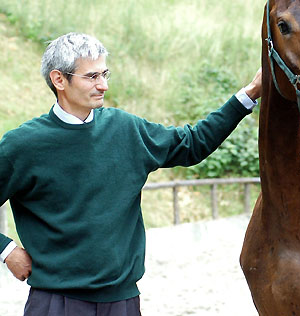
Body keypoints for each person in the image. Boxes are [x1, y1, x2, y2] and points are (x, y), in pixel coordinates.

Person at [0, 32, 262, 316]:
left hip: (123, 302)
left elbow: (193, 144)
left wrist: (248, 95)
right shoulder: (22, 145)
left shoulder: (126, 129)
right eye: (91, 77)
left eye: (104, 74)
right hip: (54, 303)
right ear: (59, 80)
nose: (103, 85)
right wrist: (6, 250)